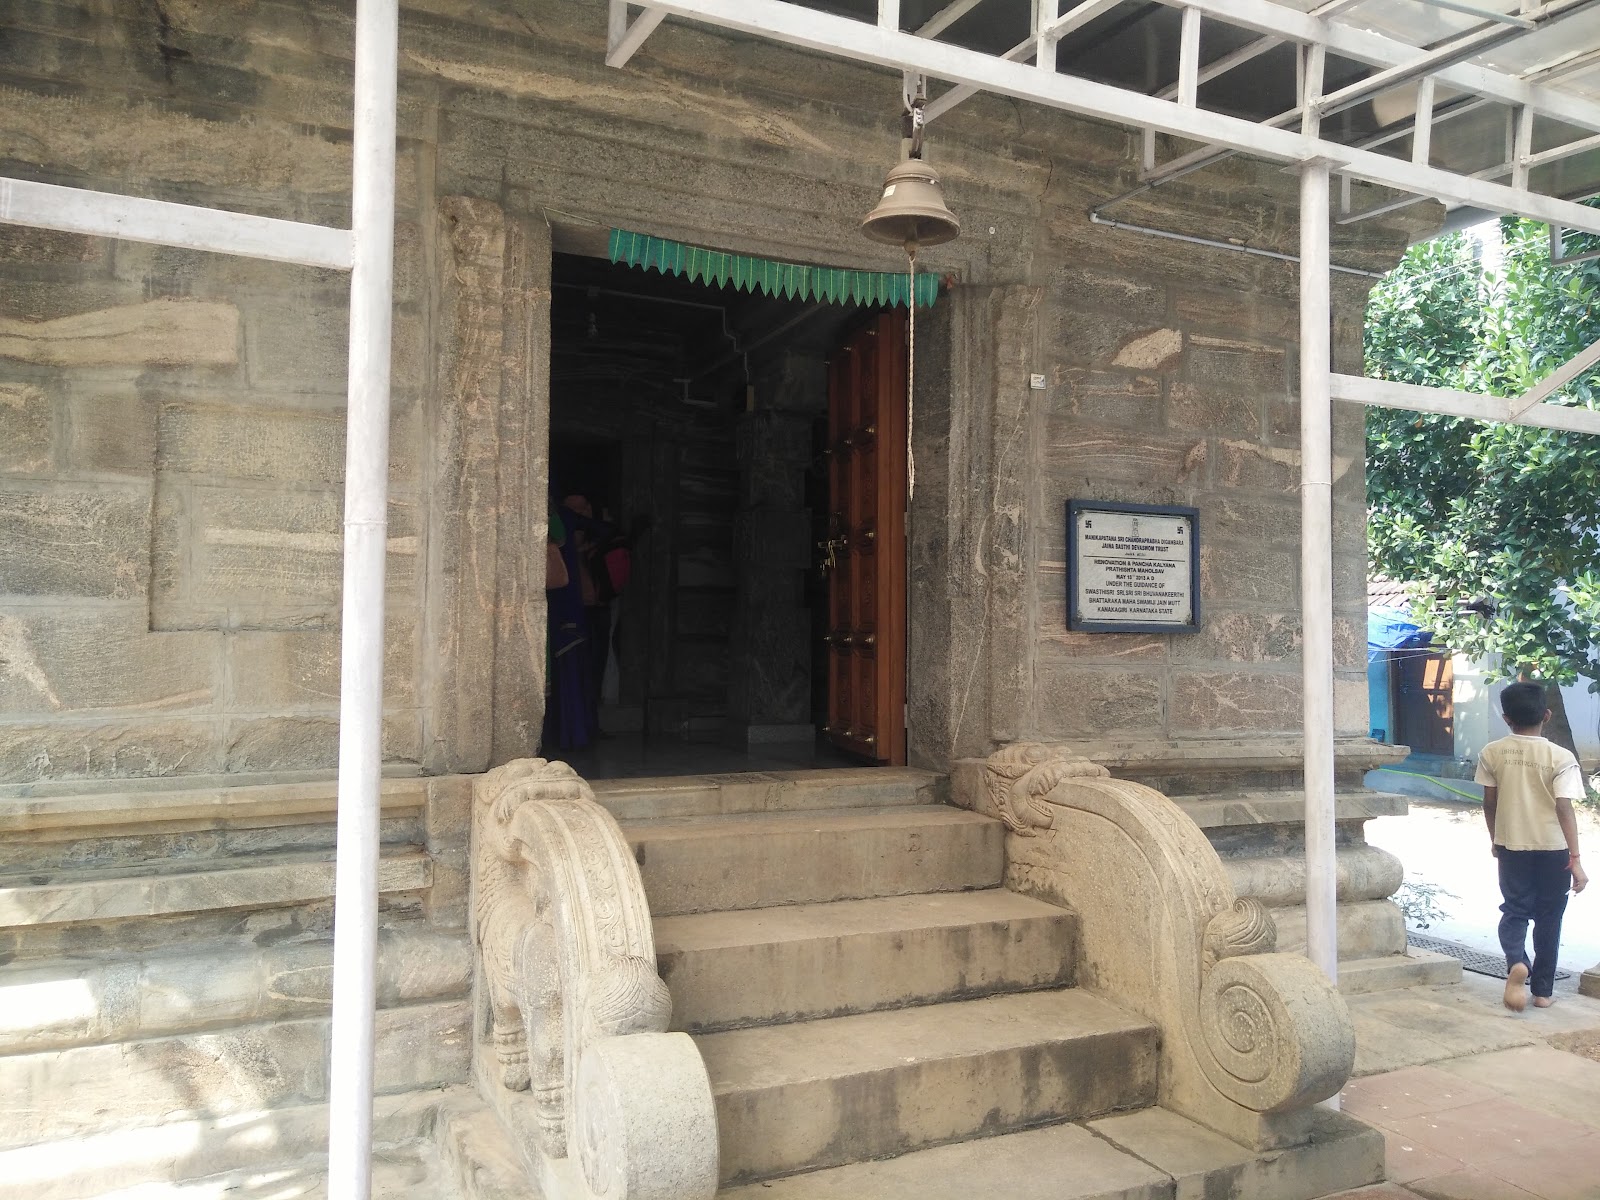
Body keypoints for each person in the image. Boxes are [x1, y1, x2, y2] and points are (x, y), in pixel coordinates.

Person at [1475, 681, 1589, 1011]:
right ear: (1547, 715)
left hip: (1511, 845)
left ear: (1506, 718)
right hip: (1553, 849)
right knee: (1550, 918)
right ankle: (1542, 992)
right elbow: (1564, 807)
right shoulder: (1561, 756)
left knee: (1515, 910)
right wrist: (1576, 858)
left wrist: (1495, 839)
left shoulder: (1492, 752)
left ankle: (1516, 963)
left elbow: (1488, 803)